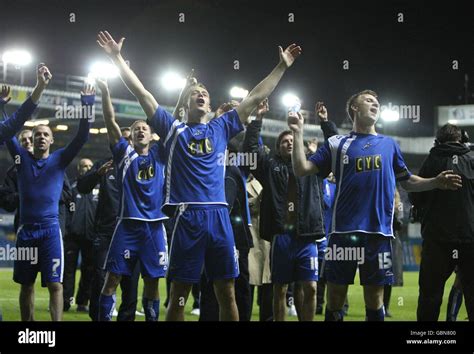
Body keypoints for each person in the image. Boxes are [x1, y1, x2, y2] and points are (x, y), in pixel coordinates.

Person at [96, 30, 302, 321]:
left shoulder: (221, 127)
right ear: (185, 106)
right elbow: (143, 93)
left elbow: (256, 96)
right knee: (179, 294)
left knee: (226, 291)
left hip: (219, 217)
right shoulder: (171, 129)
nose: (202, 95)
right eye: (195, 94)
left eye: (204, 93)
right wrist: (117, 59)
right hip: (188, 216)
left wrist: (281, 66)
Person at [290, 89, 462, 321]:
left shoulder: (389, 144)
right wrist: (298, 132)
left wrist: (435, 182)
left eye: (377, 102)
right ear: (354, 108)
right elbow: (301, 169)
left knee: (375, 299)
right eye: (368, 100)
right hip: (343, 233)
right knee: (335, 299)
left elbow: (408, 181)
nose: (375, 104)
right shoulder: (336, 143)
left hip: (378, 234)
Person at [6, 66, 93, 321]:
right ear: (31, 140)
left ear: (52, 140)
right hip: (26, 230)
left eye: (46, 134)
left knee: (56, 284)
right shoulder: (21, 158)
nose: (41, 137)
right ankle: (29, 329)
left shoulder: (59, 160)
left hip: (50, 230)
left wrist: (87, 104)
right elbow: (8, 131)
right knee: (27, 284)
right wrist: (3, 105)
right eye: (37, 134)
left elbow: (82, 136)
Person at [243, 100, 338, 321]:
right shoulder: (269, 166)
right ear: (277, 148)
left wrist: (325, 122)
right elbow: (249, 150)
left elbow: (335, 150)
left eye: (292, 140)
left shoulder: (312, 167)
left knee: (311, 288)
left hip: (307, 237)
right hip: (281, 236)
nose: (288, 143)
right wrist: (258, 119)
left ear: (301, 144)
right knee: (280, 288)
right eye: (283, 141)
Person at [95, 78, 168, 322]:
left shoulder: (160, 154)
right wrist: (105, 92)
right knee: (112, 278)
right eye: (136, 129)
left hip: (155, 226)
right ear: (132, 137)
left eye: (144, 128)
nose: (139, 130)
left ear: (151, 135)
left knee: (152, 282)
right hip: (127, 225)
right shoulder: (123, 154)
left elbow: (172, 123)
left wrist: (185, 91)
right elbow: (110, 121)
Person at [410, 123, 474, 321]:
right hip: (470, 239)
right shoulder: (471, 160)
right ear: (462, 139)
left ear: (437, 141)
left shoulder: (430, 161)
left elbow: (415, 198)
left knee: (429, 297)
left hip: (436, 239)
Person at [77, 128, 142, 321]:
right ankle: (98, 317)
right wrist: (97, 174)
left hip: (133, 231)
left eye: (130, 139)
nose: (127, 142)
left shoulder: (142, 164)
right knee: (100, 279)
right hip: (106, 233)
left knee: (130, 283)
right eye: (123, 138)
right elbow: (82, 187)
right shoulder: (104, 164)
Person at [63, 158, 97, 312]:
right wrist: (67, 229)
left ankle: (83, 302)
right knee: (68, 270)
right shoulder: (71, 186)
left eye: (90, 166)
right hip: (72, 236)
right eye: (84, 166)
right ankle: (65, 301)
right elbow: (64, 210)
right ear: (78, 168)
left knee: (89, 270)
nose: (88, 168)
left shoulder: (99, 188)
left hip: (91, 236)